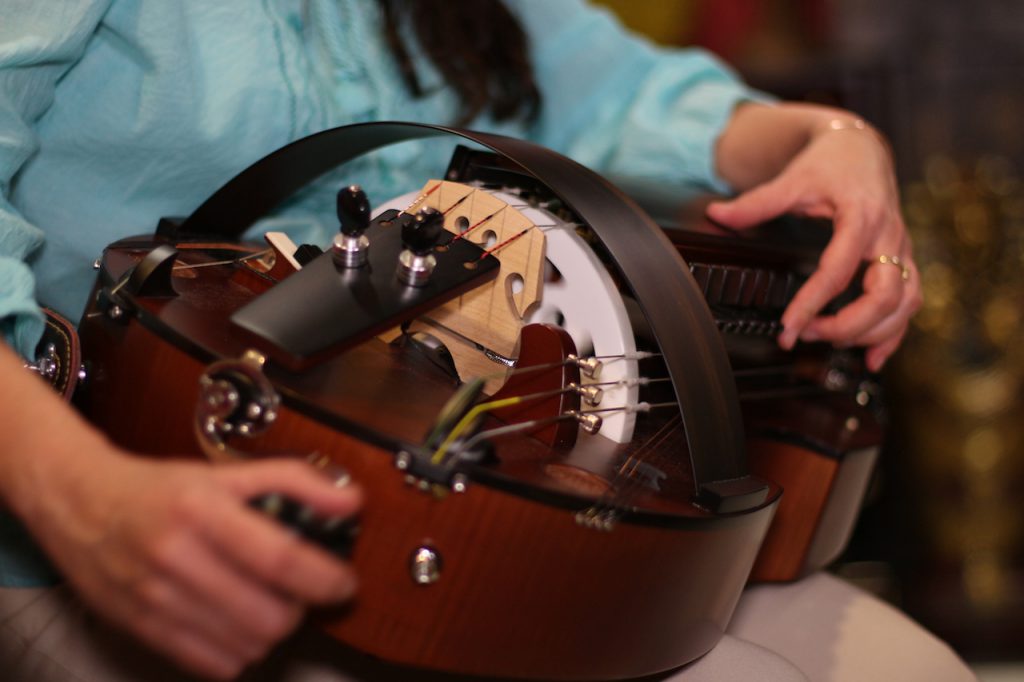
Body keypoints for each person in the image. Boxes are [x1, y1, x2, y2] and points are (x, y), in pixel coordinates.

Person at [0, 1, 968, 680]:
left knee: (915, 668)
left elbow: (626, 89)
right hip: (94, 525)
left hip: (436, 487)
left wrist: (834, 140)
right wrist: (88, 502)